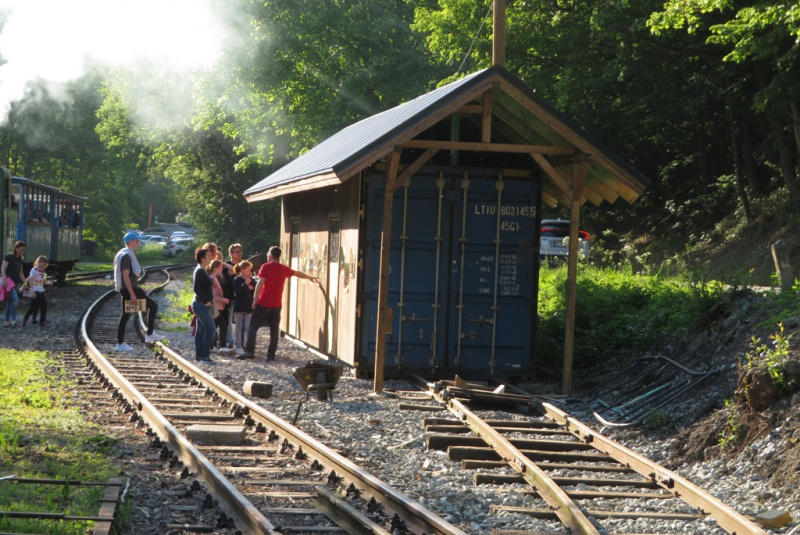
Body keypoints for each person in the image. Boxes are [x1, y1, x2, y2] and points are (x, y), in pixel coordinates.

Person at [238, 246, 318, 360]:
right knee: (274, 331)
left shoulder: (266, 267)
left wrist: (255, 301)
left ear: (270, 255)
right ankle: (271, 355)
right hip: (276, 305)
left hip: (263, 303)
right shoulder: (283, 268)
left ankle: (250, 351)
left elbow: (260, 284)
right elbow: (297, 273)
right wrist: (310, 277)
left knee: (253, 326)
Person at [113, 231, 164, 351]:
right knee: (153, 306)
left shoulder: (125, 253)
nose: (138, 242)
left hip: (129, 289)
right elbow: (125, 276)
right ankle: (147, 334)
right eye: (136, 240)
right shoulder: (126, 255)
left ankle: (121, 343)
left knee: (125, 315)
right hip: (130, 289)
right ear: (130, 242)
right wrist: (132, 294)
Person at [192, 247, 216, 362]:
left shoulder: (202, 270)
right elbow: (196, 288)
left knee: (200, 331)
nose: (211, 257)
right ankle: (205, 355)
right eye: (209, 256)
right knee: (211, 329)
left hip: (201, 304)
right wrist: (206, 300)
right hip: (201, 305)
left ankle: (200, 355)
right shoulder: (200, 271)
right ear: (202, 258)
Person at [220, 243, 243, 348]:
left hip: (241, 296)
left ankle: (241, 341)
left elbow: (246, 274)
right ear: (231, 253)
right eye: (236, 251)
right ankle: (229, 340)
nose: (239, 254)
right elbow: (225, 278)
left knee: (241, 321)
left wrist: (233, 270)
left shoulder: (244, 264)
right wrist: (235, 271)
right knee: (228, 320)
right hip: (229, 295)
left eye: (240, 251)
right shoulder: (224, 266)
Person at [206, 259, 232, 353]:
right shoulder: (212, 279)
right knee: (223, 325)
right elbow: (213, 295)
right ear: (216, 268)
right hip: (215, 306)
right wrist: (224, 300)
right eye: (221, 267)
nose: (222, 269)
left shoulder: (215, 278)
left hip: (218, 306)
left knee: (215, 326)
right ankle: (222, 345)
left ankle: (211, 345)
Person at [231, 260, 255, 354]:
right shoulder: (237, 280)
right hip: (239, 306)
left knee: (247, 326)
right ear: (242, 270)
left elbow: (254, 289)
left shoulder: (251, 280)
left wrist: (250, 287)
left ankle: (248, 344)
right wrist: (245, 285)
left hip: (248, 306)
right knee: (239, 326)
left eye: (250, 270)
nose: (249, 272)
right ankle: (238, 345)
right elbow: (238, 292)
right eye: (248, 269)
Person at [1, 240, 25, 327]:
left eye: (23, 250)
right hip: (9, 282)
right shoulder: (9, 257)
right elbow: (3, 268)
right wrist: (4, 279)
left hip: (16, 282)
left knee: (10, 302)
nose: (22, 251)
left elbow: (20, 272)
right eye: (21, 249)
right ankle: (14, 320)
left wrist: (25, 282)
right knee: (16, 300)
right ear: (16, 248)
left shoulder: (20, 259)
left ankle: (6, 321)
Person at [23, 255, 51, 327]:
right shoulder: (34, 270)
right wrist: (32, 291)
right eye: (43, 264)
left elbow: (43, 280)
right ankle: (25, 318)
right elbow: (31, 281)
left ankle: (42, 321)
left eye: (45, 265)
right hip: (35, 291)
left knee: (44, 306)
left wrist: (48, 282)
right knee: (33, 307)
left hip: (41, 290)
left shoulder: (43, 271)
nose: (44, 266)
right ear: (39, 262)